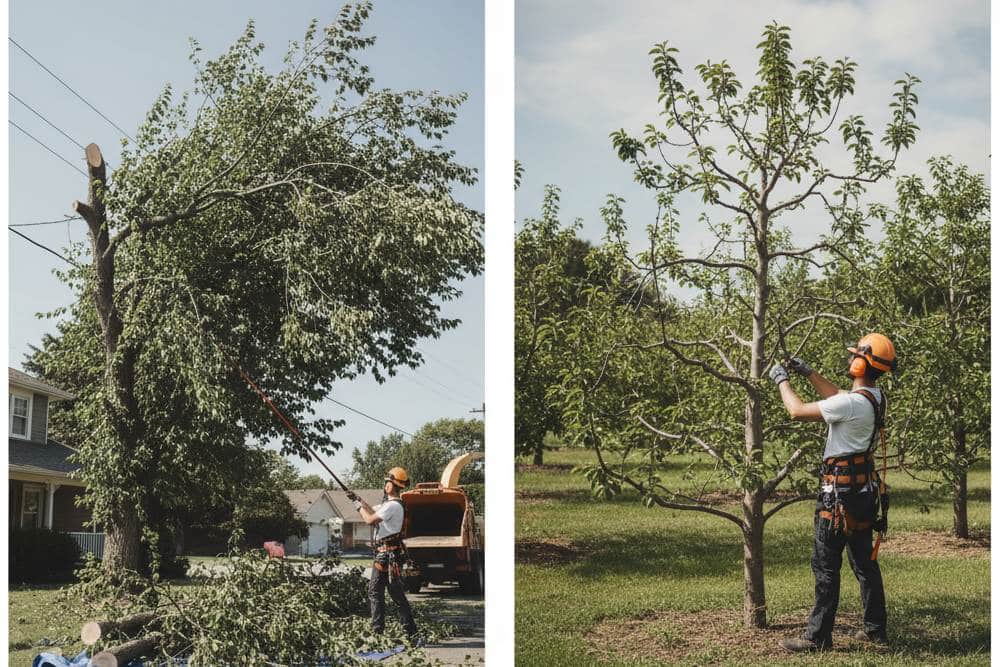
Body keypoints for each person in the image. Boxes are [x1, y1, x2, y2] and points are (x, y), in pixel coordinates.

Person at [768, 333, 896, 652]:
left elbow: (796, 410)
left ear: (859, 364)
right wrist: (809, 372)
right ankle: (875, 630)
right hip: (863, 493)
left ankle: (817, 637)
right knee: (865, 564)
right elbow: (837, 396)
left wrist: (782, 380)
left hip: (837, 497)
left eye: (854, 355)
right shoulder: (873, 398)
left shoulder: (850, 404)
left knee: (825, 565)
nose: (850, 358)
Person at [349, 467, 419, 640]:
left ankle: (377, 632)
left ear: (392, 485)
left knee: (375, 592)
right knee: (396, 595)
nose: (385, 484)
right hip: (389, 554)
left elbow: (370, 519)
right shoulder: (391, 505)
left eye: (387, 482)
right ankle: (411, 633)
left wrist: (357, 506)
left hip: (385, 555)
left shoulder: (393, 505)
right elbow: (373, 511)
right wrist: (358, 500)